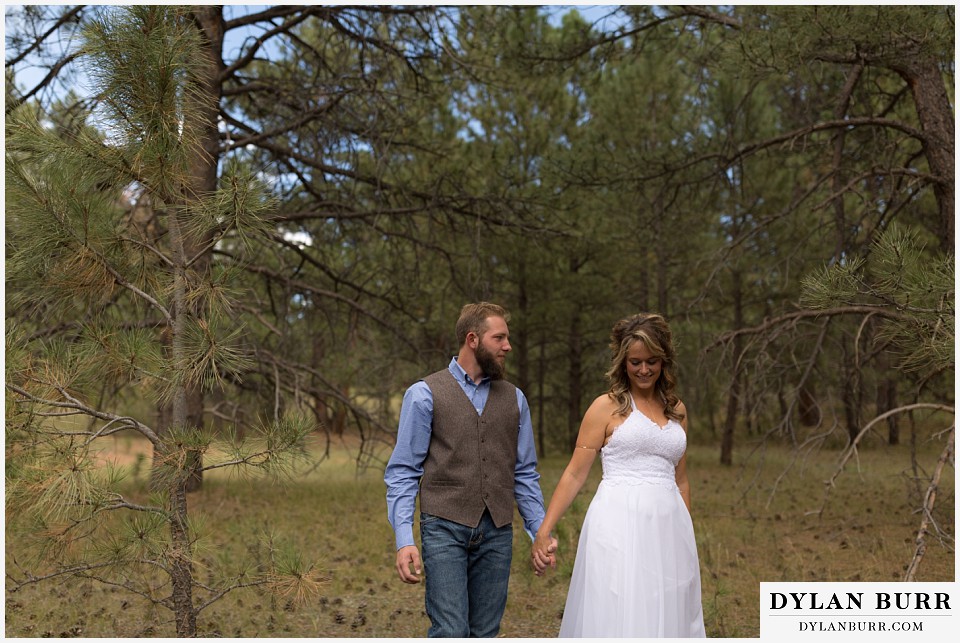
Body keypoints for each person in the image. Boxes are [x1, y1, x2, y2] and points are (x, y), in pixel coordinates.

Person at [385, 302, 558, 638]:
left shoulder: (515, 399)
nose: (508, 346)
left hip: (497, 532)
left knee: (485, 632)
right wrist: (404, 540)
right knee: (450, 631)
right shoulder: (424, 395)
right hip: (443, 528)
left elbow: (524, 473)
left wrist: (539, 531)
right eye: (500, 338)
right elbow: (403, 472)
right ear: (473, 339)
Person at [531, 313, 705, 637]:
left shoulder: (677, 410)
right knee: (621, 609)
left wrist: (685, 534)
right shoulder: (605, 408)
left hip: (670, 528)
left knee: (668, 608)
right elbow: (573, 474)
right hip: (618, 525)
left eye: (652, 361)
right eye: (635, 361)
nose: (644, 370)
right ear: (623, 361)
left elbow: (680, 479)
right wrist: (544, 530)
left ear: (664, 360)